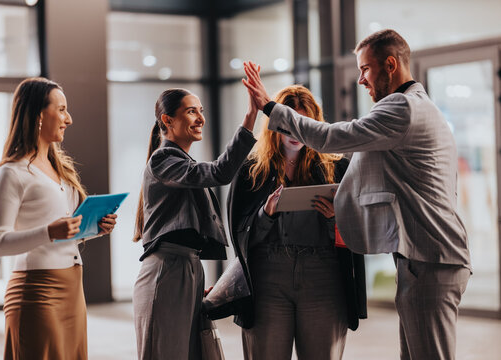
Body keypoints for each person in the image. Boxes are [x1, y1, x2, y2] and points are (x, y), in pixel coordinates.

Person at [242, 29, 471, 360]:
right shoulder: (421, 107)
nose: (361, 79)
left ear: (390, 64)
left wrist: (269, 106)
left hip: (430, 259)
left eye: (365, 68)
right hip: (428, 258)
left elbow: (331, 137)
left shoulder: (402, 108)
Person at [227, 85, 367, 360]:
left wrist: (333, 218)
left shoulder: (338, 167)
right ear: (275, 124)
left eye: (302, 124)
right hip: (268, 275)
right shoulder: (251, 169)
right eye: (288, 123)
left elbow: (357, 232)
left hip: (323, 275)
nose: (294, 133)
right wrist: (265, 215)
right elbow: (240, 237)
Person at [0, 77, 117, 360]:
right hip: (36, 294)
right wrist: (48, 231)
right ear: (37, 115)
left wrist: (95, 228)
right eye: (61, 109)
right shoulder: (12, 172)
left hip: (72, 291)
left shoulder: (60, 170)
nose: (68, 119)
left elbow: (64, 234)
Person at [132, 87, 258, 360]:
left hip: (186, 268)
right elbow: (220, 172)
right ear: (167, 120)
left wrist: (192, 281)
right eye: (191, 111)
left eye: (201, 111)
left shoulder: (180, 162)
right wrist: (250, 116)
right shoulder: (164, 158)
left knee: (195, 353)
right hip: (167, 270)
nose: (201, 118)